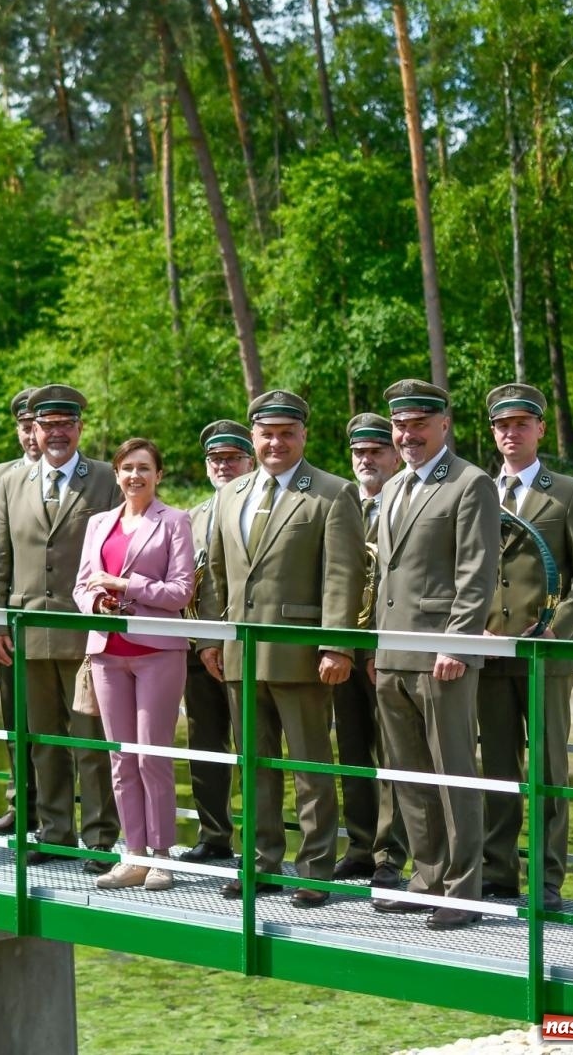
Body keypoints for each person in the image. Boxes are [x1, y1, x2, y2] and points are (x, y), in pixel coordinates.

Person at [198, 390, 362, 907]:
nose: (276, 442)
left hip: (302, 654)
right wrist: (213, 637)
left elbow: (343, 577)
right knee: (253, 765)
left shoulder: (333, 493)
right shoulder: (231, 494)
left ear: (303, 435)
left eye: (287, 433)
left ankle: (314, 871)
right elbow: (217, 575)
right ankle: (261, 864)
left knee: (311, 768)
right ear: (254, 437)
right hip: (240, 654)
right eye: (267, 434)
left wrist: (337, 646)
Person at [371, 379, 499, 929]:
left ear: (444, 424)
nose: (408, 435)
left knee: (454, 775)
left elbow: (477, 571)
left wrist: (457, 641)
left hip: (443, 655)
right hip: (393, 652)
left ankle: (464, 891)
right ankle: (427, 879)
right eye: (400, 425)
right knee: (409, 775)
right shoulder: (393, 487)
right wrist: (377, 644)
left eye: (419, 424)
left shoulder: (470, 483)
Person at [478, 383, 573, 913]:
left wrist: (555, 628)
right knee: (497, 770)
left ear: (540, 429)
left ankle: (547, 880)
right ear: (493, 432)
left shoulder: (570, 493)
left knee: (549, 771)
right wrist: (472, 628)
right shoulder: (478, 491)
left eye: (521, 424)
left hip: (546, 655)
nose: (511, 433)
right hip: (490, 654)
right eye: (502, 425)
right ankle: (497, 874)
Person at [0, 383, 122, 873]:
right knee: (43, 742)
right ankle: (55, 833)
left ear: (79, 428)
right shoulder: (8, 481)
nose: (56, 433)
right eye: (48, 425)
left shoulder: (104, 478)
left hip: (86, 632)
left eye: (66, 424)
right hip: (28, 631)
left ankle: (99, 840)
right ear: (34, 430)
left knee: (92, 742)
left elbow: (123, 545)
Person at [74, 438, 196, 890]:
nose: (135, 476)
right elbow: (82, 586)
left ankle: (162, 856)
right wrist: (97, 602)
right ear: (116, 474)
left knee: (152, 757)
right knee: (121, 758)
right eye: (127, 468)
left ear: (158, 475)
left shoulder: (175, 521)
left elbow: (180, 592)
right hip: (108, 652)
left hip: (157, 653)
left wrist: (125, 585)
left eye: (144, 468)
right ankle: (134, 855)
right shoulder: (98, 523)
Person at [330, 413, 410, 887]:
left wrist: (384, 643)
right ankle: (360, 846)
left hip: (389, 647)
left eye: (377, 451)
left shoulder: (406, 500)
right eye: (359, 453)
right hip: (345, 645)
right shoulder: (341, 503)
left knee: (394, 754)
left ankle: (389, 854)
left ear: (395, 455)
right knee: (352, 749)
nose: (367, 460)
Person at [180, 420, 253, 865]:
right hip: (197, 646)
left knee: (254, 747)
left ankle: (260, 843)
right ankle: (213, 835)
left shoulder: (259, 506)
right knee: (205, 745)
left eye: (232, 458)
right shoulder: (191, 517)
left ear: (249, 461)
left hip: (245, 644)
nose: (223, 466)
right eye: (215, 459)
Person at [0, 388, 42, 835]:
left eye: (37, 426)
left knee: (70, 726)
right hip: (14, 620)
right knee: (14, 718)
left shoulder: (90, 477)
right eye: (24, 427)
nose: (31, 435)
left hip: (64, 620)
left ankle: (69, 817)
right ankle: (20, 804)